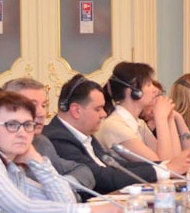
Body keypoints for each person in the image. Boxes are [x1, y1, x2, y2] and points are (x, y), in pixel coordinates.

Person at [0, 91, 121, 213]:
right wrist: (91, 211)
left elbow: (65, 202)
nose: (22, 133)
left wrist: (36, 160)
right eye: (12, 125)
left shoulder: (13, 168)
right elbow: (22, 210)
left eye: (27, 125)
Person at [44, 75, 176, 194]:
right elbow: (100, 177)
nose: (104, 114)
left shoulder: (84, 133)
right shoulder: (58, 138)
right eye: (98, 109)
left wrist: (164, 165)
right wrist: (164, 170)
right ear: (76, 111)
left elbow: (118, 165)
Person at [1, 78, 95, 190]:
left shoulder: (40, 142)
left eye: (44, 105)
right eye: (32, 105)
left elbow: (83, 171)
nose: (42, 113)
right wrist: (54, 191)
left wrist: (62, 187)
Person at [96, 62, 190, 163]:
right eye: (148, 85)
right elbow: (162, 164)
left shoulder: (139, 124)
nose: (155, 90)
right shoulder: (115, 126)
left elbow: (174, 159)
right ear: (134, 92)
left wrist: (169, 117)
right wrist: (161, 118)